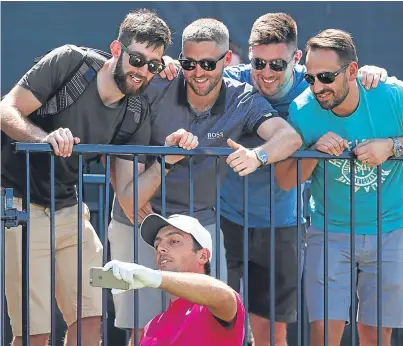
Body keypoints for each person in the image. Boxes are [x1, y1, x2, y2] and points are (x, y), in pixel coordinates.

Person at [161, 13, 388, 346]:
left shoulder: (312, 84)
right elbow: (194, 73)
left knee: (270, 333)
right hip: (226, 219)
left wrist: (372, 73)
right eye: (258, 62)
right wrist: (167, 66)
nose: (265, 72)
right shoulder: (233, 79)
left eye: (277, 65)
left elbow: (349, 83)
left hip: (282, 222)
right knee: (210, 322)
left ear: (295, 59)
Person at [108, 17, 302, 344]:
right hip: (140, 220)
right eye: (189, 62)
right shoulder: (154, 87)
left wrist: (258, 156)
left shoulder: (242, 98)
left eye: (208, 63)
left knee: (210, 321)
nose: (198, 72)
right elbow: (126, 189)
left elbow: (289, 138)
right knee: (142, 329)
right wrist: (165, 162)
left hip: (201, 223)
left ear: (227, 60)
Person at [0, 9, 171, 346]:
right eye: (137, 59)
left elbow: (128, 196)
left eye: (154, 65)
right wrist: (43, 140)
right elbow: (7, 108)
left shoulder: (137, 110)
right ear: (117, 49)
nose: (143, 71)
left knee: (90, 319)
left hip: (69, 208)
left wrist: (167, 162)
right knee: (35, 332)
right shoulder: (71, 63)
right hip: (17, 206)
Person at [275, 29, 403, 346]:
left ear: (352, 71)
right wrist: (313, 152)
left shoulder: (391, 96)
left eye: (326, 77)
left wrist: (391, 147)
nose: (318, 87)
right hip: (328, 231)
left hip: (391, 229)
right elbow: (285, 179)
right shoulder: (303, 110)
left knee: (375, 334)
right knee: (324, 333)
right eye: (310, 78)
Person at [103, 213, 246, 345]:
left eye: (174, 241)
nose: (160, 249)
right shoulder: (151, 327)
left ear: (203, 256)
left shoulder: (213, 306)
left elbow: (223, 295)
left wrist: (154, 277)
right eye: (157, 245)